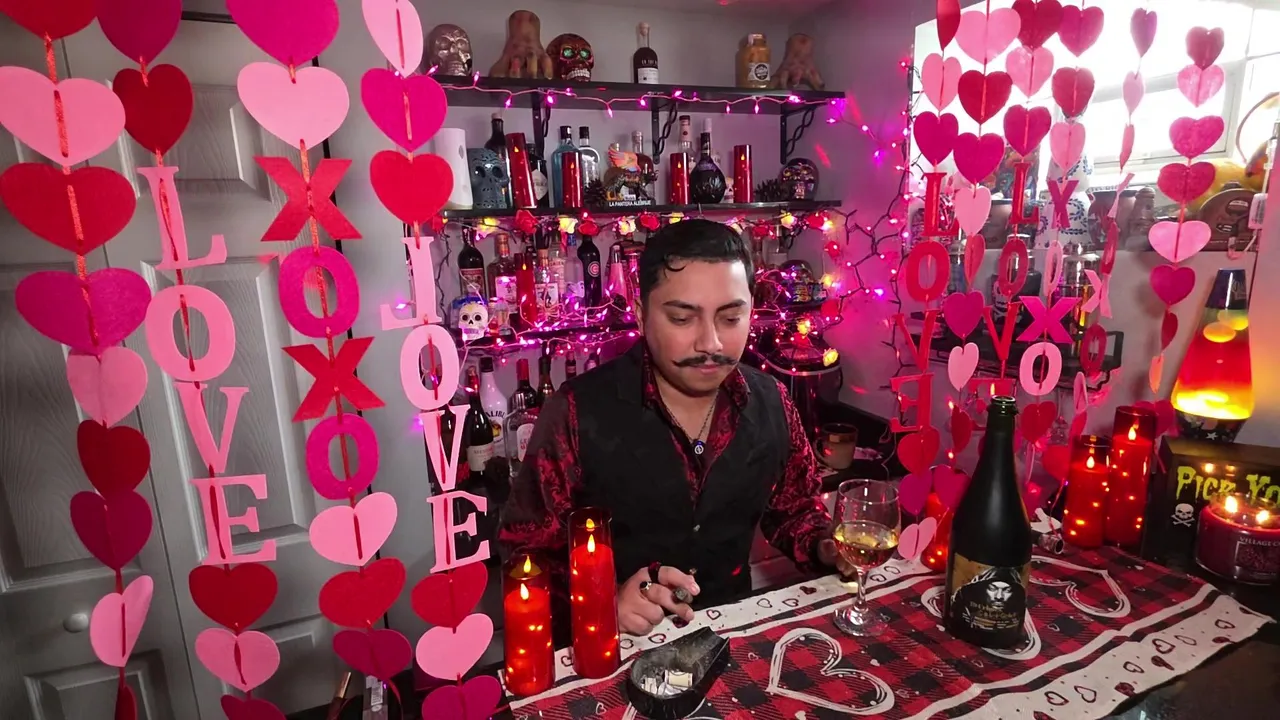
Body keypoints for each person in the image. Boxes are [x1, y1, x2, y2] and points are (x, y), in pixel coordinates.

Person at [499, 219, 846, 637]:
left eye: (731, 318)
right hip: (616, 648)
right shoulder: (574, 411)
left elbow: (796, 510)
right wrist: (601, 600)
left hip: (731, 640)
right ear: (642, 314)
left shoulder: (772, 400)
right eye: (682, 318)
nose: (711, 343)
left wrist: (826, 546)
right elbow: (525, 557)